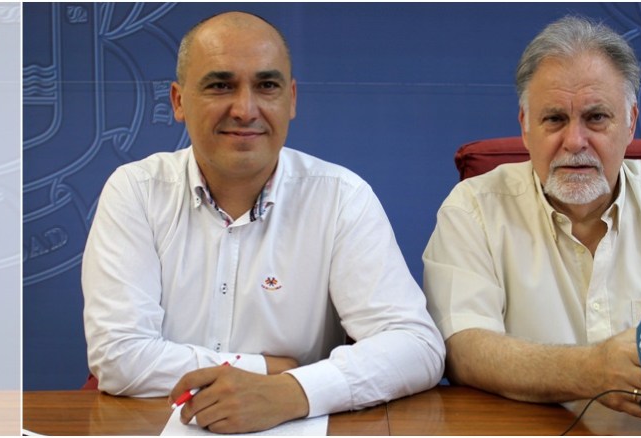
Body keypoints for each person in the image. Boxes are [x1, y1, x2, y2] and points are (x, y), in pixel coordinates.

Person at [81, 12, 444, 434]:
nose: (245, 109)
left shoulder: (340, 196)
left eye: (267, 86)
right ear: (178, 101)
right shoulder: (136, 190)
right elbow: (118, 356)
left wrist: (291, 391)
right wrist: (265, 369)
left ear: (291, 100)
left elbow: (416, 345)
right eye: (220, 86)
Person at [422, 16, 641, 420]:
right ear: (525, 126)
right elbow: (462, 348)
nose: (575, 141)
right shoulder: (473, 209)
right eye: (554, 119)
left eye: (596, 117)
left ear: (630, 123)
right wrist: (590, 370)